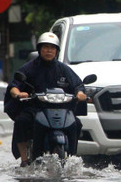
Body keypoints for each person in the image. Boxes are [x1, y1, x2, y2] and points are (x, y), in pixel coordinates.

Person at [6, 32, 86, 166]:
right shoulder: (29, 67)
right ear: (39, 49)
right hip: (35, 109)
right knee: (21, 122)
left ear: (56, 51)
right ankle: (24, 159)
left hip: (61, 109)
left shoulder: (63, 69)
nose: (49, 51)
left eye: (52, 48)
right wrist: (18, 93)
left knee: (76, 124)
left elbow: (78, 85)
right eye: (46, 47)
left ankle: (72, 156)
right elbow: (14, 86)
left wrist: (80, 93)